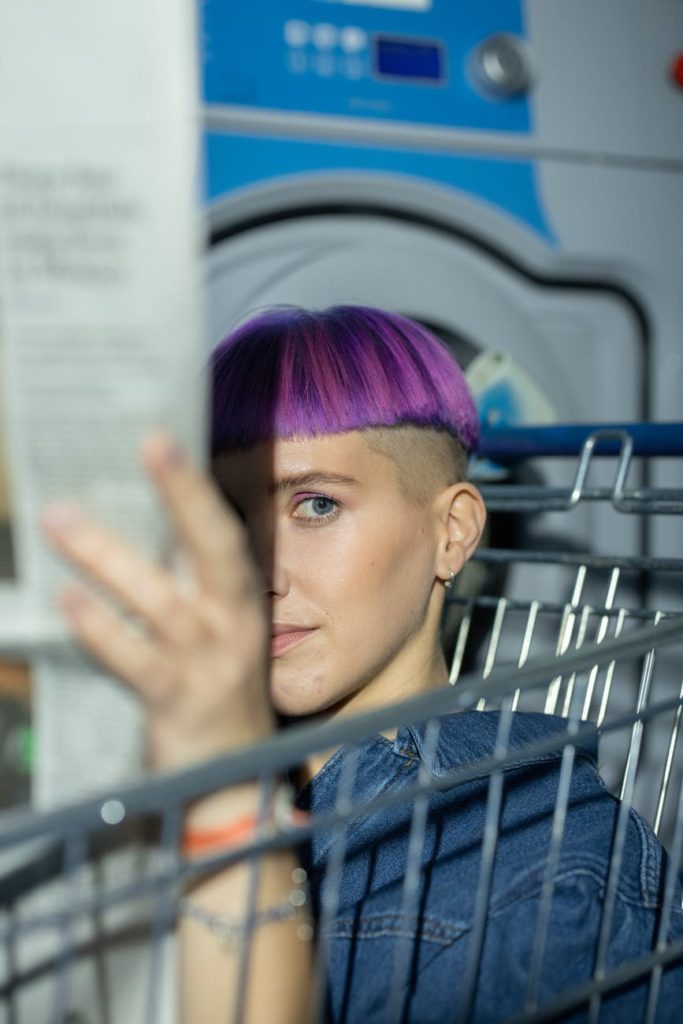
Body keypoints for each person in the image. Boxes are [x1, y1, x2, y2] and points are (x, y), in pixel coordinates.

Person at [41, 306, 683, 1023]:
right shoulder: (161, 783)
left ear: (452, 533)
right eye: (226, 515)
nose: (260, 571)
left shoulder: (546, 874)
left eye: (316, 504)